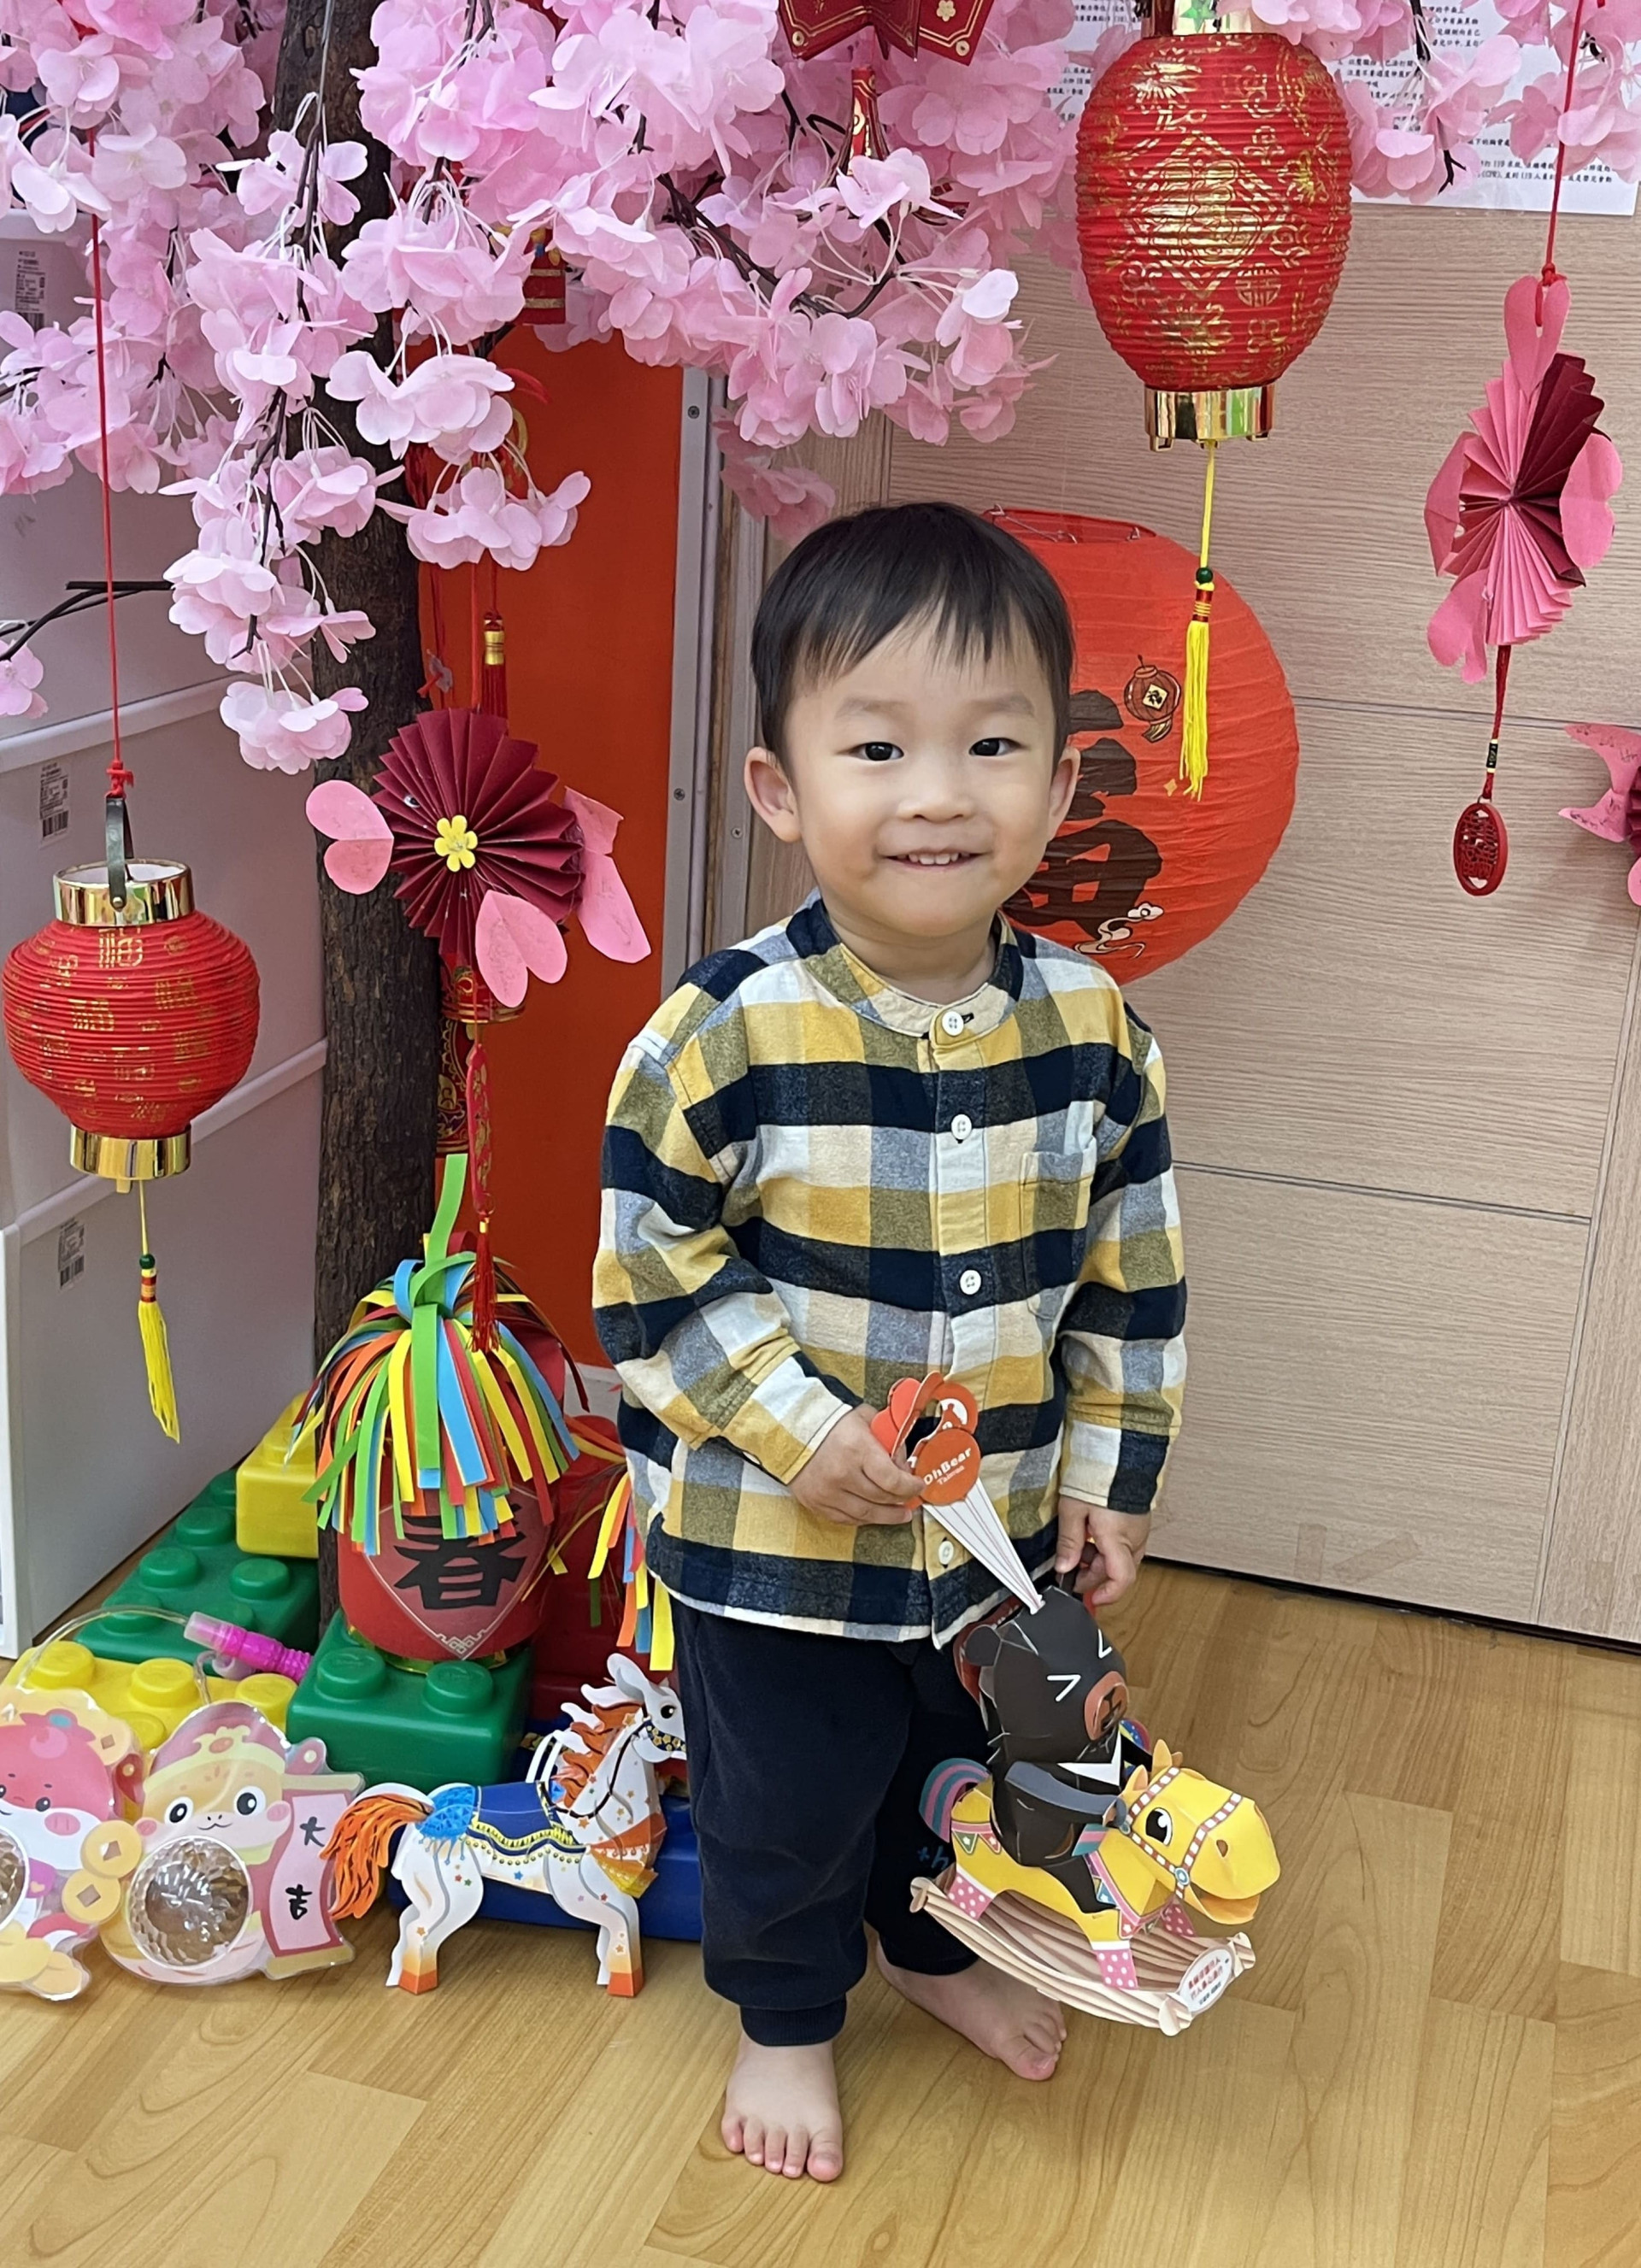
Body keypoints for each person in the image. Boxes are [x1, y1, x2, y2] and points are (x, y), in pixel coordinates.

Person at [594, 501, 1186, 2184]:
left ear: (1058, 787)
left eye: (991, 744)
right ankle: (787, 2018)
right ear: (781, 788)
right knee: (788, 1799)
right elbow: (651, 1278)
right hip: (773, 1546)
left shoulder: (1095, 1033)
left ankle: (929, 1949)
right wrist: (800, 1430)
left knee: (963, 1769)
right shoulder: (721, 1035)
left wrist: (1114, 1477)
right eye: (877, 747)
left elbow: (1131, 1280)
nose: (937, 793)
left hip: (991, 1543)